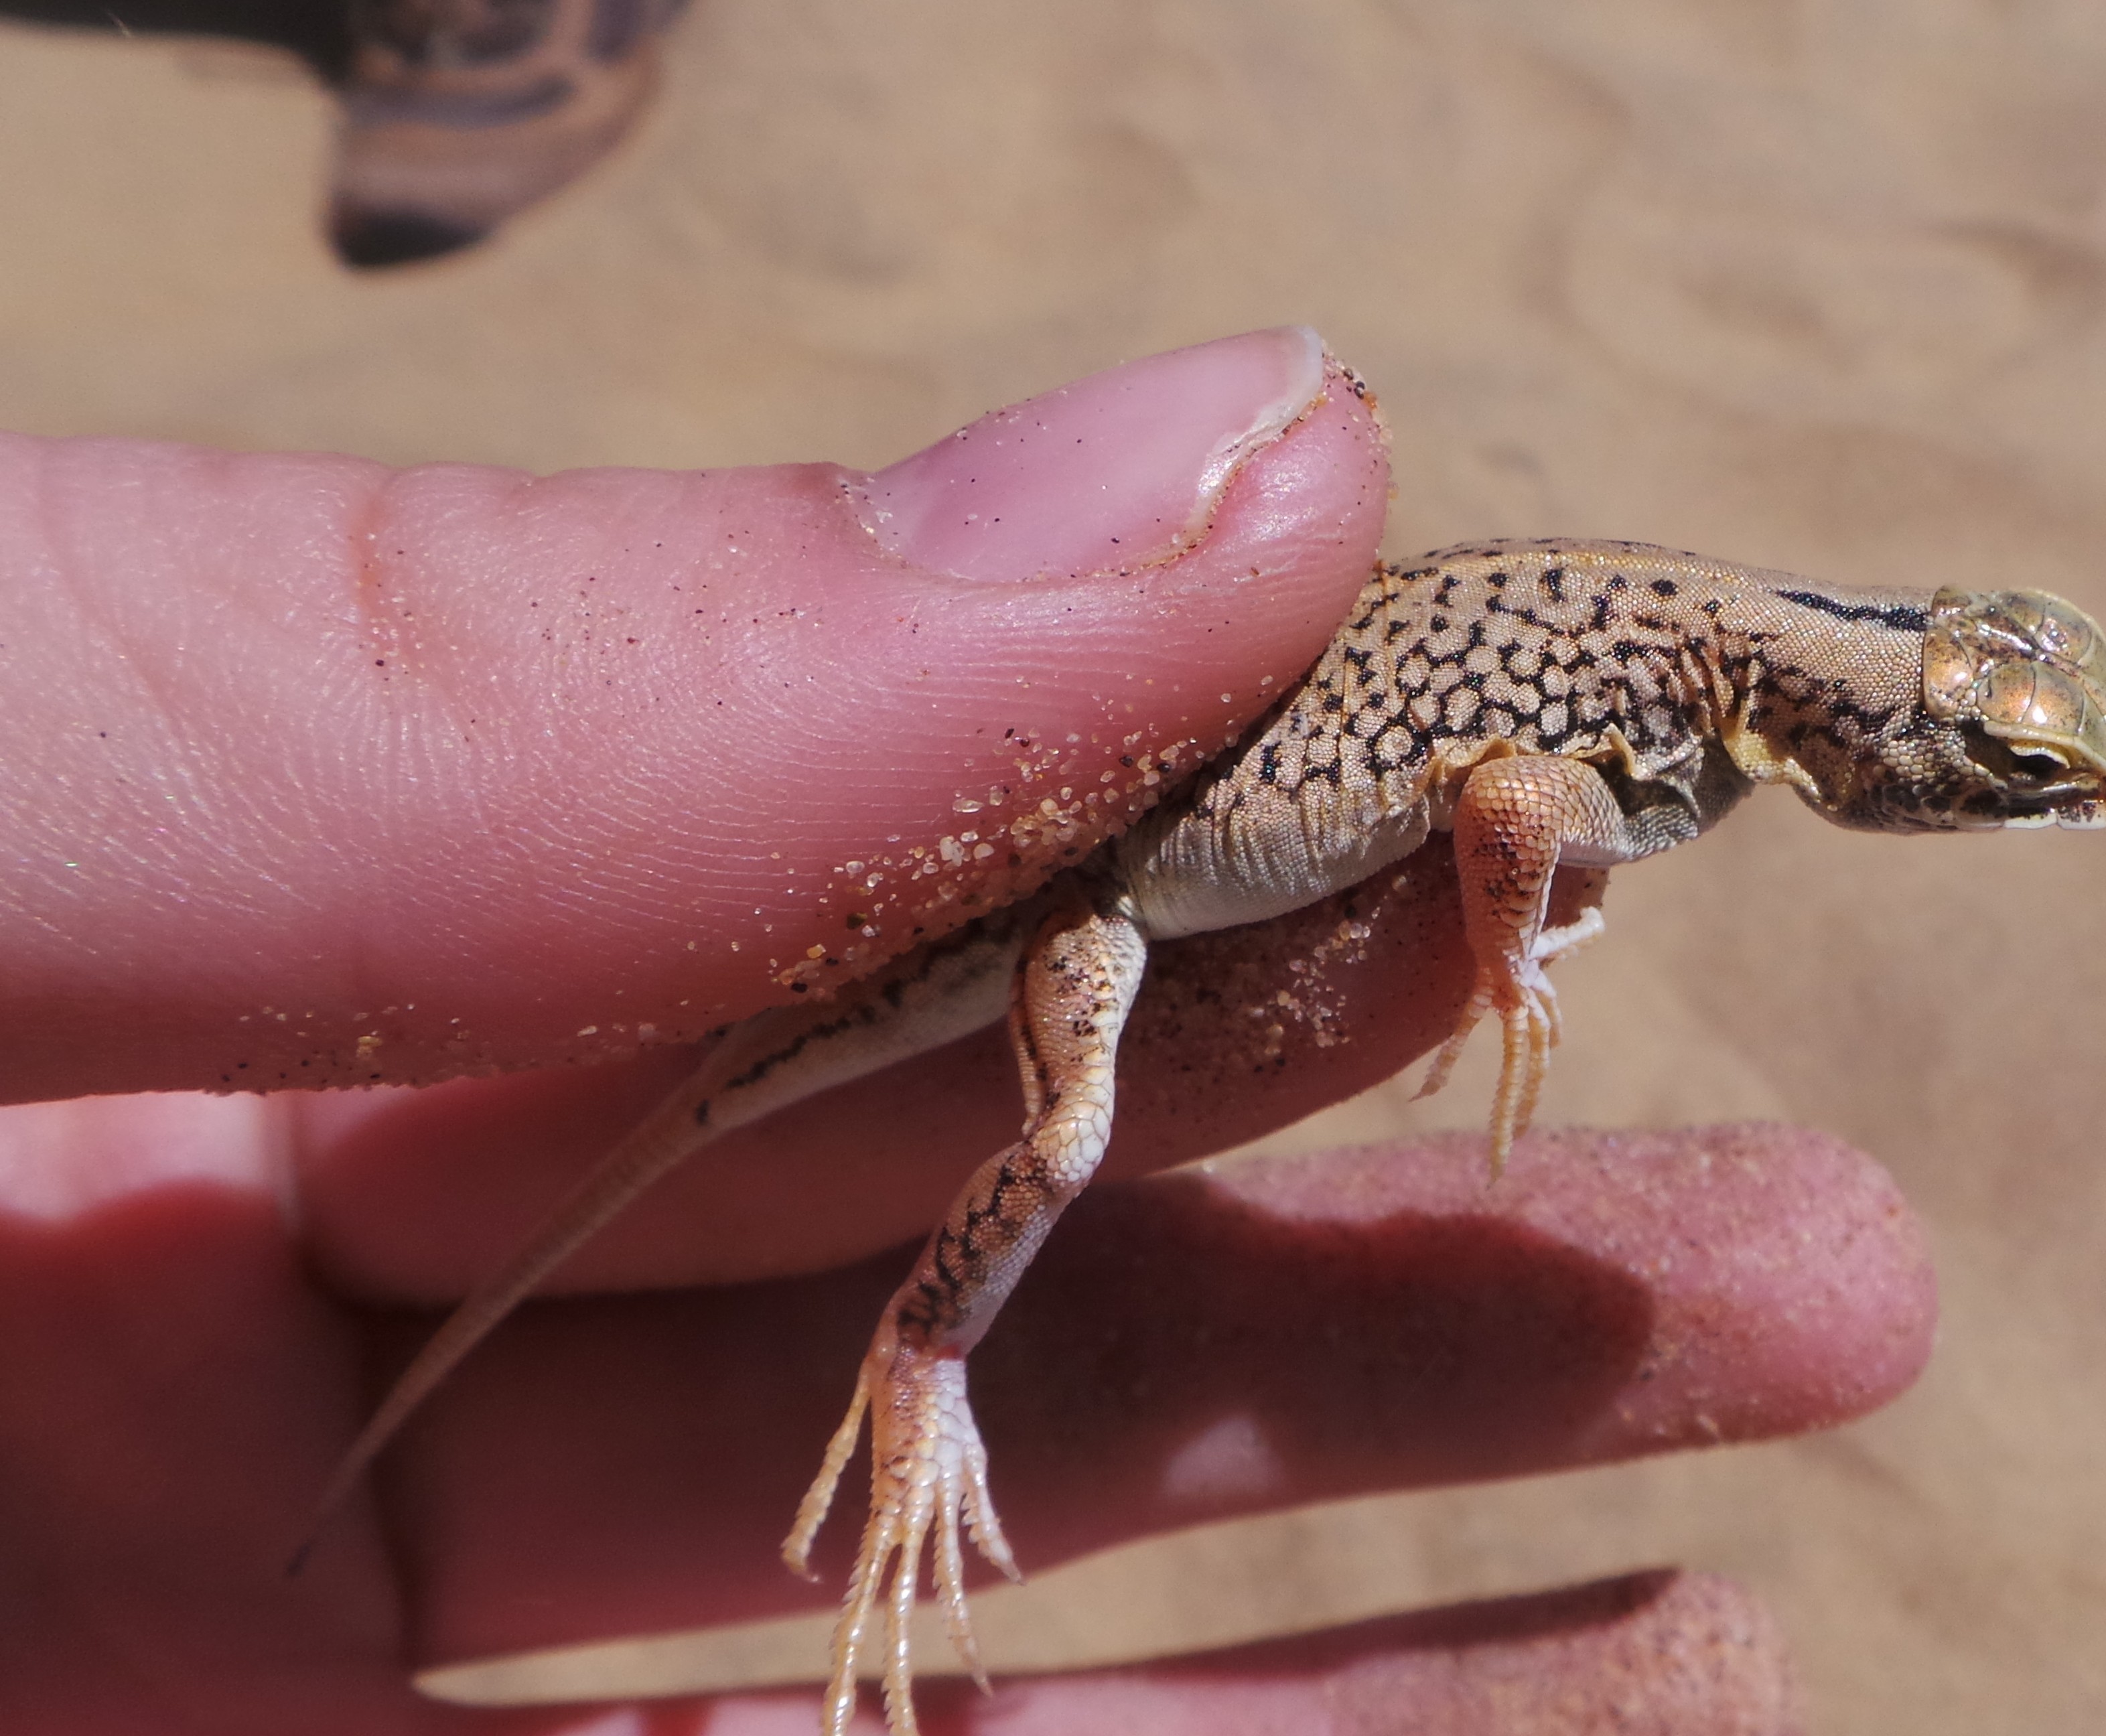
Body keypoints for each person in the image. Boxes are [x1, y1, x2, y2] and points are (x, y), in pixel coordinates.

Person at [0, 329, 1935, 1731]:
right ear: (1876, 735)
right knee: (1070, 1133)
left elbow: (1508, 792)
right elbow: (1508, 809)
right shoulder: (1675, 682)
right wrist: (1502, 962)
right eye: (2003, 775)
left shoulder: (1704, 672)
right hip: (1081, 909)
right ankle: (924, 1355)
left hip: (1134, 872)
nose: (2023, 797)